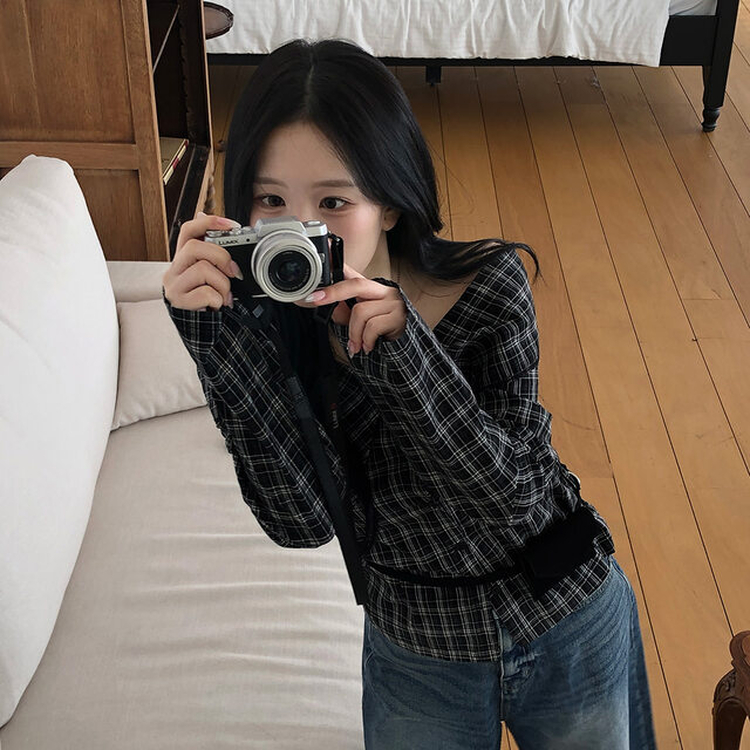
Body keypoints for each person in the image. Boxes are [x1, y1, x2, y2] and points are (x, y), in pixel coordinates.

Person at [161, 39, 657, 750]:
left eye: (334, 201)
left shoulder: (488, 286)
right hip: (419, 652)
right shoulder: (269, 333)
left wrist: (404, 353)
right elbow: (300, 523)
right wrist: (217, 345)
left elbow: (512, 500)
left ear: (390, 203)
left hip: (565, 612)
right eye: (270, 201)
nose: (299, 228)